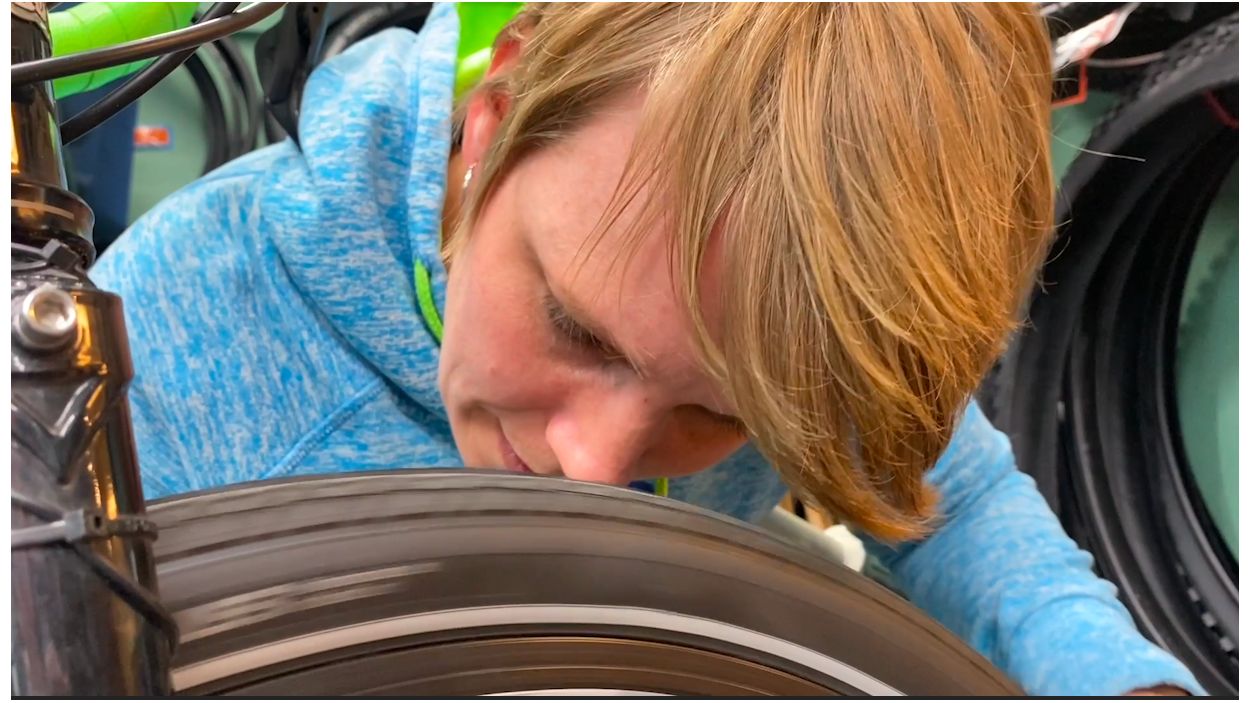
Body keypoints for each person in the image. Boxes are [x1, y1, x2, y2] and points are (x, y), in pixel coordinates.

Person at [92, 3, 1200, 696]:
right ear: (496, 117)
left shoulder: (797, 317)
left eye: (719, 413)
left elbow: (947, 489)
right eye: (576, 326)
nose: (598, 471)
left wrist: (1114, 680)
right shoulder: (161, 351)